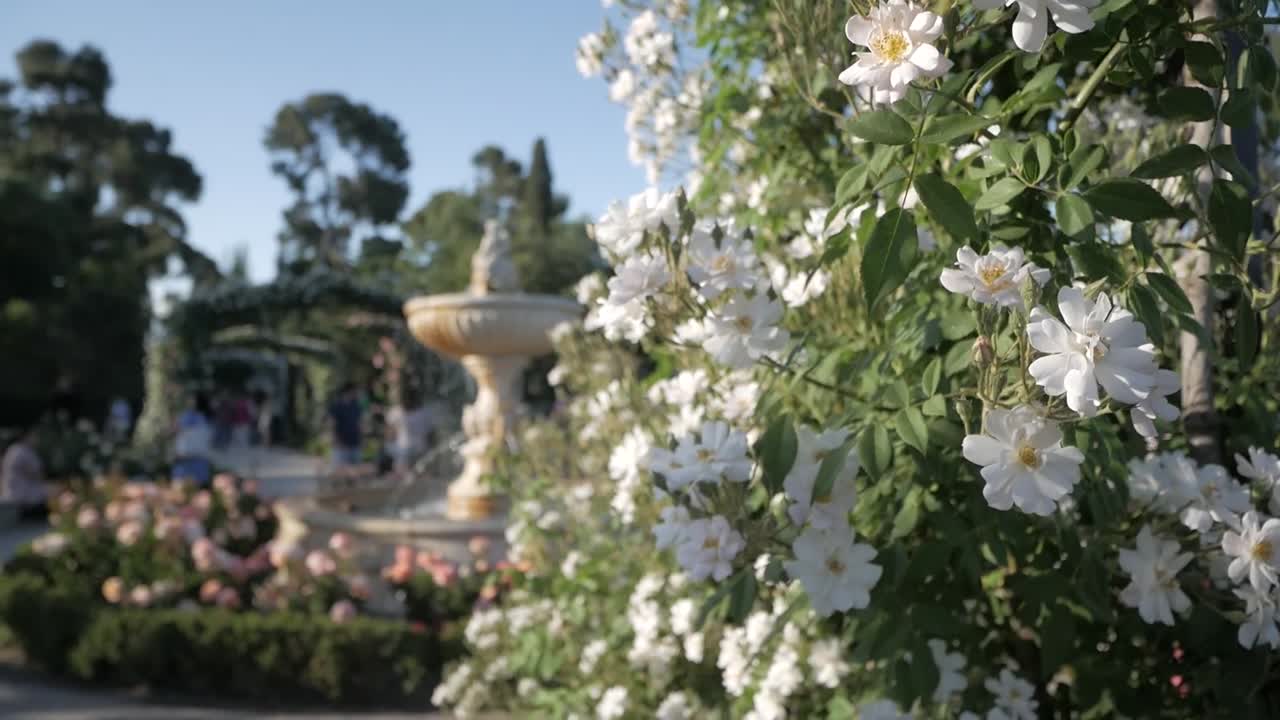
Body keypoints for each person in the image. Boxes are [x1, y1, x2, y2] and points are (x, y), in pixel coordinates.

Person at [1, 426, 48, 518]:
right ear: (26, 436)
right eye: (35, 436)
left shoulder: (13, 449)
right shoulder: (24, 451)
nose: (37, 439)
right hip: (25, 499)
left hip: (12, 494)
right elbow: (38, 474)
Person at [172, 393, 213, 486]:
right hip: (201, 457)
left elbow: (174, 430)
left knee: (180, 488)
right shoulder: (206, 419)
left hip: (185, 457)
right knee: (199, 488)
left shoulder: (187, 416)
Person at [328, 383, 363, 467]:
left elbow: (359, 423)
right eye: (355, 391)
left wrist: (362, 438)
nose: (357, 394)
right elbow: (332, 423)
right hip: (341, 443)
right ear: (348, 391)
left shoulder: (356, 405)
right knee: (340, 470)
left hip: (355, 442)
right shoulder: (337, 405)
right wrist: (334, 439)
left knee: (355, 469)